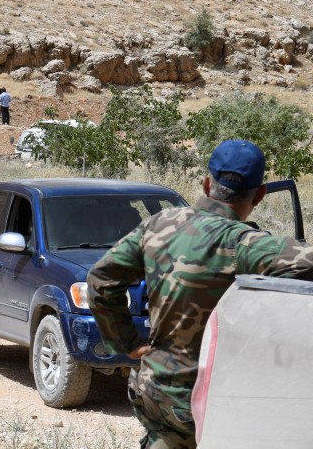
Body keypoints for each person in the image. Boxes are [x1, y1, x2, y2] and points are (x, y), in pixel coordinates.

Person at [87, 140, 313, 449]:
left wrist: (126, 343)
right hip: (203, 403)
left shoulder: (157, 225)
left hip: (153, 391)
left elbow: (101, 278)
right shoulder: (245, 244)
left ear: (207, 184)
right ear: (259, 196)